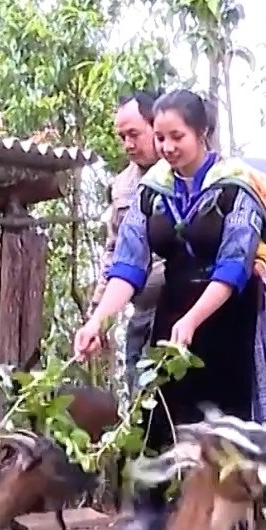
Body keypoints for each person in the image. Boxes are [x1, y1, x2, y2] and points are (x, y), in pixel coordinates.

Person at [73, 88, 266, 472]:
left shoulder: (236, 188)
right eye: (160, 137)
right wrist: (98, 321)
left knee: (228, 438)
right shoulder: (150, 193)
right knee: (169, 432)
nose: (168, 147)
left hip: (229, 319)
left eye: (178, 137)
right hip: (172, 321)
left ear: (201, 132)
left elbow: (234, 266)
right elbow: (128, 267)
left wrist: (192, 319)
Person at [100, 91, 164, 398]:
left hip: (184, 309)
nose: (127, 144)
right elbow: (114, 252)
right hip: (142, 312)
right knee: (141, 403)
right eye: (122, 136)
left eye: (134, 134)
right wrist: (98, 316)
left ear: (157, 126)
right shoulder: (122, 187)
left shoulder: (185, 175)